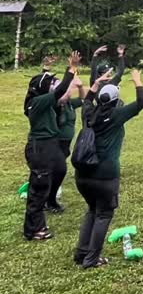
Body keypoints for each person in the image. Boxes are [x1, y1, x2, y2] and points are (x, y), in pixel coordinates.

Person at [73, 68, 143, 268]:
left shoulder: (89, 113)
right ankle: (91, 259)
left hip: (82, 175)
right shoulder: (116, 115)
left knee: (91, 210)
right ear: (115, 101)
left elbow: (86, 100)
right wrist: (138, 81)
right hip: (105, 176)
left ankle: (82, 252)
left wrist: (96, 84)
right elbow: (141, 103)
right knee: (103, 214)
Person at [23, 52, 81, 241]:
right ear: (43, 88)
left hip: (49, 145)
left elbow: (63, 94)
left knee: (52, 174)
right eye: (51, 83)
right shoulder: (38, 102)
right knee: (38, 188)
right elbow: (60, 89)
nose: (54, 85)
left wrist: (48, 68)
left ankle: (41, 217)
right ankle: (33, 229)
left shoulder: (43, 101)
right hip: (40, 148)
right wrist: (71, 68)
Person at [47, 74, 87, 214]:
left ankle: (50, 197)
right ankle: (50, 199)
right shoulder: (56, 104)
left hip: (65, 143)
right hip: (56, 142)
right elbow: (63, 96)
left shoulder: (70, 104)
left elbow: (83, 99)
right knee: (57, 169)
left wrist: (81, 86)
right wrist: (71, 83)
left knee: (57, 170)